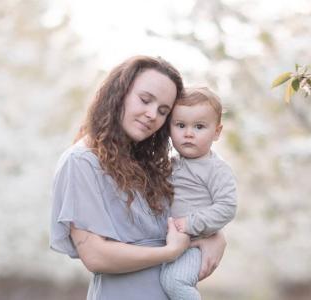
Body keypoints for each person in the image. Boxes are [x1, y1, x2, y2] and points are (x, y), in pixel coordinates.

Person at [49, 56, 227, 300]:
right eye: (145, 100)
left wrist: (215, 237)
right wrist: (171, 251)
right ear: (119, 94)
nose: (152, 114)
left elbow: (181, 221)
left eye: (163, 111)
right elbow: (95, 255)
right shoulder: (81, 162)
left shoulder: (150, 165)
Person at [159, 87, 238, 300]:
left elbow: (227, 207)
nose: (188, 133)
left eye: (199, 126)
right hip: (171, 241)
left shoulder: (216, 169)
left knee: (174, 282)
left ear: (217, 132)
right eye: (180, 125)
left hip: (195, 243)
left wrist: (191, 223)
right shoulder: (170, 164)